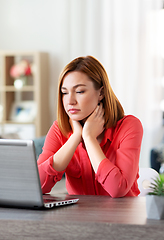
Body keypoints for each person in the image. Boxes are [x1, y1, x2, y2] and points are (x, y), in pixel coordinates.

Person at [37, 56, 143, 198]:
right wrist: (75, 137)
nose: (70, 101)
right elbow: (37, 185)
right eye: (64, 92)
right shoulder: (59, 128)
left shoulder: (129, 126)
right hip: (79, 218)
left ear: (101, 93)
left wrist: (89, 138)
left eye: (79, 91)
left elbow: (118, 189)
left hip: (121, 217)